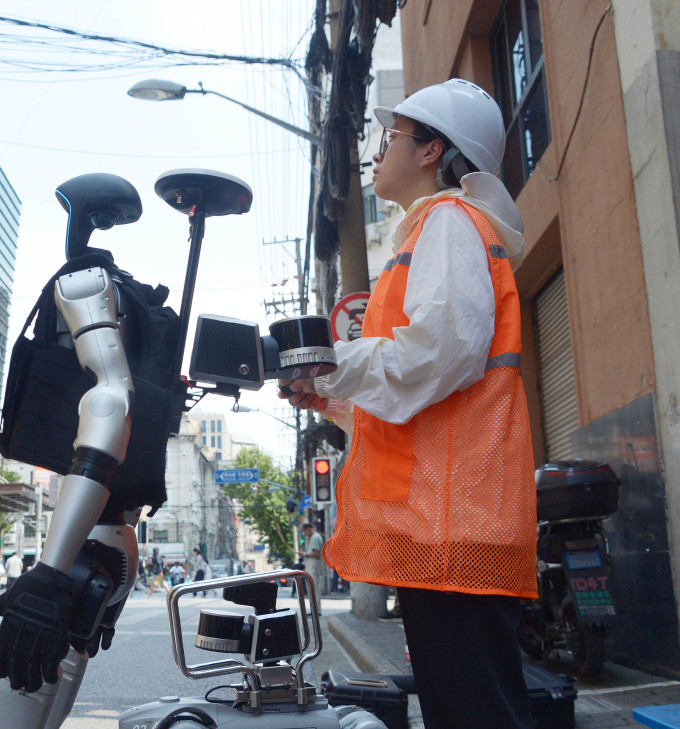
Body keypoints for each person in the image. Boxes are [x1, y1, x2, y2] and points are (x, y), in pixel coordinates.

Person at [281, 78, 537, 729]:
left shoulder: (449, 223)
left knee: (477, 713)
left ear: (431, 150)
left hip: (456, 526)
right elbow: (421, 391)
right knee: (466, 710)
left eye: (392, 135)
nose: (377, 149)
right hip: (444, 527)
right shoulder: (429, 232)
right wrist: (332, 397)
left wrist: (334, 364)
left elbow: (443, 350)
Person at [298, 523, 325, 607]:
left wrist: (304, 554)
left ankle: (316, 609)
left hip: (314, 563)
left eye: (304, 531)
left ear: (308, 528)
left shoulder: (315, 537)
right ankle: (314, 608)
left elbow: (315, 553)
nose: (304, 534)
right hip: (311, 564)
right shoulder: (311, 538)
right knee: (311, 587)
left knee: (313, 587)